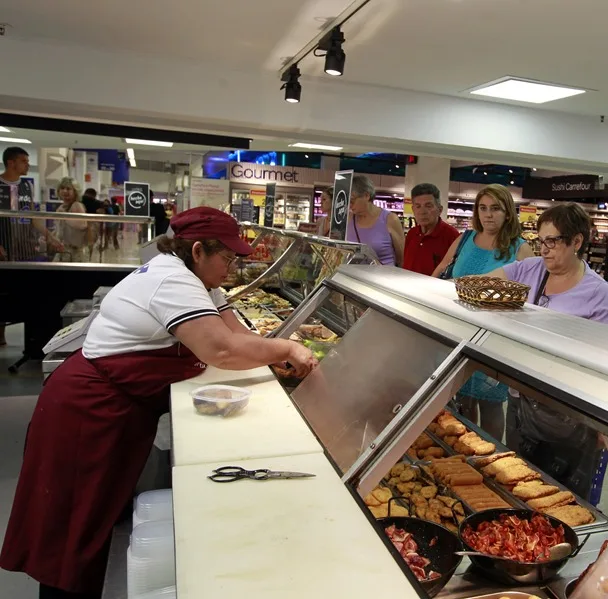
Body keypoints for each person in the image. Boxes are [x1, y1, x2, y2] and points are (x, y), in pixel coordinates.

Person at [0, 207, 317, 599]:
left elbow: (233, 331)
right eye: (228, 258)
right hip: (87, 410)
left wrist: (273, 355)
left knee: (95, 522)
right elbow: (222, 349)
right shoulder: (173, 280)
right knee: (71, 529)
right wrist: (286, 346)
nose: (233, 267)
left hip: (118, 408)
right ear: (197, 250)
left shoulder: (199, 280)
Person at [490, 202, 608, 499]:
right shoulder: (530, 269)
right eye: (540, 241)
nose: (545, 250)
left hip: (569, 416)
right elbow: (485, 284)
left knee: (562, 499)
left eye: (553, 241)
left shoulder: (599, 295)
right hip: (522, 403)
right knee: (518, 487)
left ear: (577, 241)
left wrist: (606, 423)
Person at [432, 184, 534, 439]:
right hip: (457, 331)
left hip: (496, 338)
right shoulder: (465, 239)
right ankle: (463, 456)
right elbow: (441, 271)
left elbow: (529, 298)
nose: (488, 215)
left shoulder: (520, 248)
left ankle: (489, 458)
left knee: (490, 406)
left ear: (508, 213)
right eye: (483, 208)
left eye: (495, 209)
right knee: (461, 402)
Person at [402, 183, 459, 276]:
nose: (422, 212)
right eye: (418, 206)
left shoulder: (452, 236)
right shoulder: (411, 234)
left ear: (439, 210)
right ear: (413, 210)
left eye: (428, 206)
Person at [346, 175, 404, 265]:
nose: (349, 205)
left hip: (383, 276)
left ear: (366, 196)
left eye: (352, 201)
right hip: (354, 276)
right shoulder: (348, 219)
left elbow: (402, 258)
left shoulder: (390, 219)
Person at [55, 178, 90, 262]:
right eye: (62, 188)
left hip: (75, 252)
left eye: (68, 189)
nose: (64, 191)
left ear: (75, 191)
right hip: (64, 250)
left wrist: (64, 216)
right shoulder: (62, 207)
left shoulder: (76, 205)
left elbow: (82, 224)